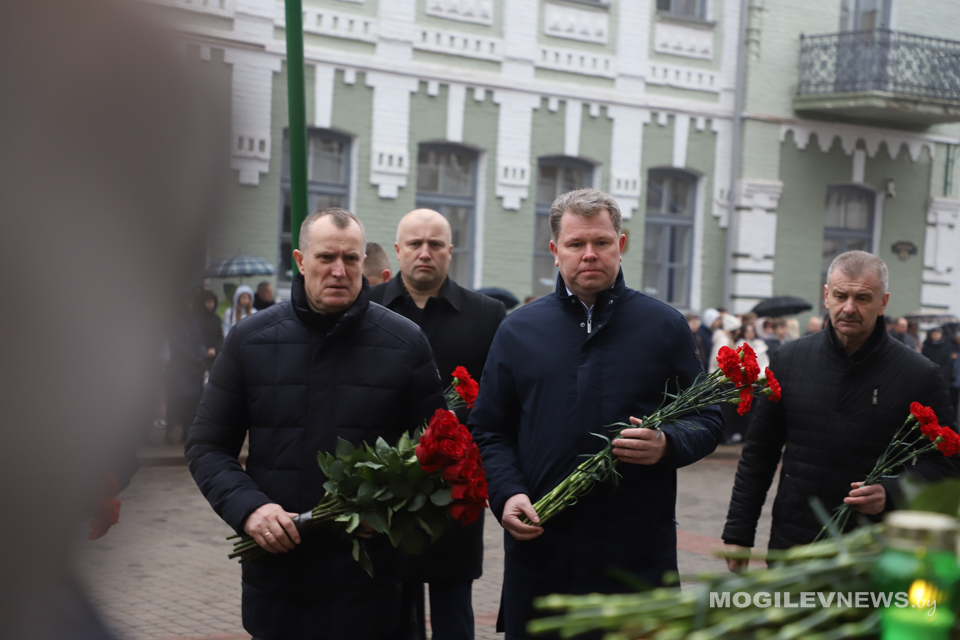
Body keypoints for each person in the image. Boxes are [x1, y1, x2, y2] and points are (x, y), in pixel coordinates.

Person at [469, 188, 723, 638]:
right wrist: (507, 493)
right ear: (555, 251)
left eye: (601, 242)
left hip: (634, 552)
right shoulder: (519, 329)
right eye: (576, 244)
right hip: (543, 549)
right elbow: (490, 429)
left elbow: (708, 418)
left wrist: (667, 443)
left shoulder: (664, 326)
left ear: (620, 245)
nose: (590, 254)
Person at [186, 208, 445, 640]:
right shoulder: (251, 340)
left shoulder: (405, 343)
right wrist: (250, 510)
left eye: (351, 259)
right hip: (280, 578)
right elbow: (207, 445)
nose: (339, 270)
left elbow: (436, 456)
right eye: (326, 257)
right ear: (301, 261)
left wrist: (390, 512)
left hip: (369, 584)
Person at [722, 251, 960, 570]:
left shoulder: (919, 374)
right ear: (826, 296)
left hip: (873, 553)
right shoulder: (790, 360)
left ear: (883, 302)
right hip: (794, 547)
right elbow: (759, 453)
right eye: (840, 296)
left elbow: (948, 462)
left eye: (862, 298)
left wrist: (892, 492)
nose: (849, 308)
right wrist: (738, 532)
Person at [369, 208, 506, 640]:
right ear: (398, 250)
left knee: (453, 612)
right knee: (393, 615)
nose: (424, 252)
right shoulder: (367, 307)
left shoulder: (487, 315)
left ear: (450, 250)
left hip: (457, 487)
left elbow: (498, 403)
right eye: (415, 244)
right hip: (388, 487)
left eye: (434, 244)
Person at [165, 291, 207, 445]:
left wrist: (201, 354)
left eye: (191, 303)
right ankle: (169, 432)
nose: (189, 306)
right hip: (179, 368)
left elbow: (200, 341)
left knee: (192, 401)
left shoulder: (193, 321)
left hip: (193, 370)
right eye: (187, 303)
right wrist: (195, 358)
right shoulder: (174, 323)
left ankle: (187, 431)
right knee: (176, 400)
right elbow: (178, 345)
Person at [194, 289, 223, 370]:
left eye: (213, 302)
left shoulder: (216, 319)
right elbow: (196, 338)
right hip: (200, 357)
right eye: (208, 302)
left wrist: (215, 349)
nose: (211, 305)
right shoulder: (196, 319)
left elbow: (220, 336)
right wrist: (205, 350)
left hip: (215, 356)